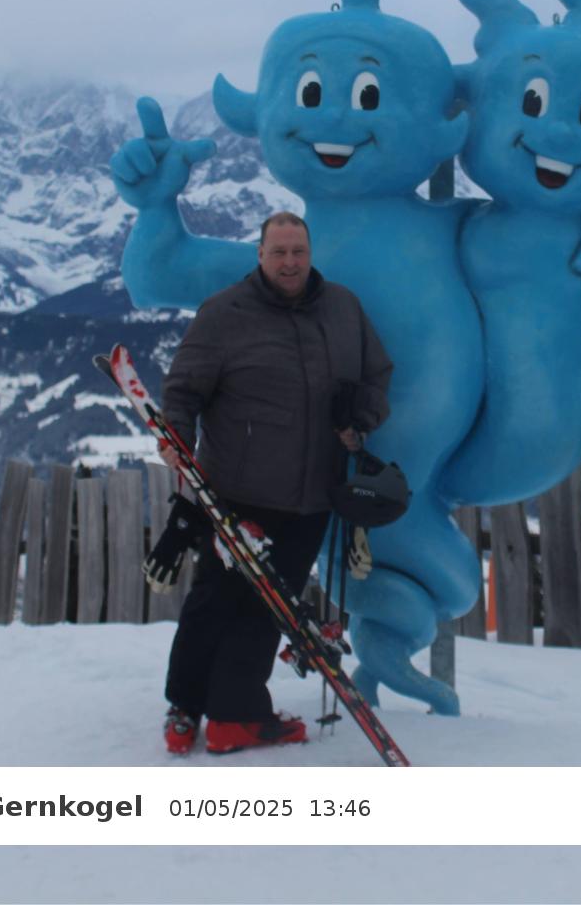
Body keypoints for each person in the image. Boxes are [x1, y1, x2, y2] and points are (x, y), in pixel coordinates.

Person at [155, 211, 392, 755]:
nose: (289, 262)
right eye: (279, 252)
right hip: (237, 494)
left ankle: (234, 716)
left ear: (311, 254)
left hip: (312, 496)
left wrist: (361, 420)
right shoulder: (225, 313)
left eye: (298, 252)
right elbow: (183, 390)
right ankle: (185, 706)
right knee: (214, 600)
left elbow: (377, 376)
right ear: (260, 255)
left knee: (269, 610)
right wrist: (177, 442)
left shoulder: (343, 309)